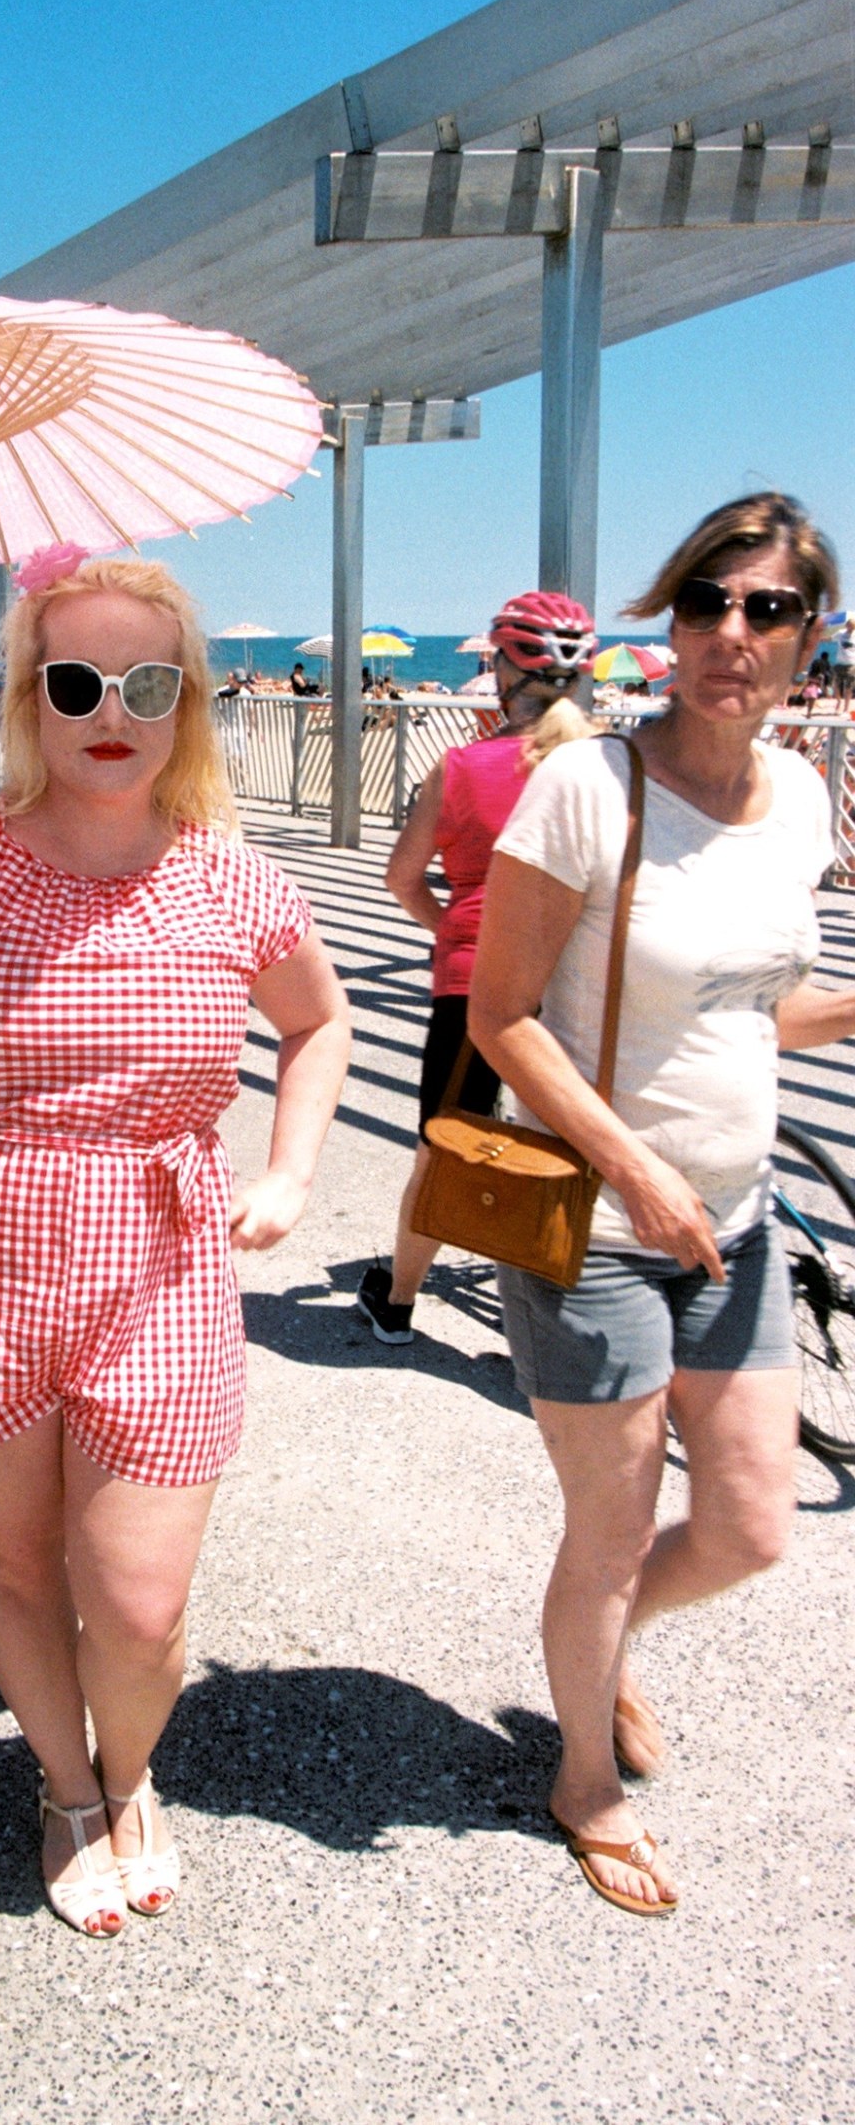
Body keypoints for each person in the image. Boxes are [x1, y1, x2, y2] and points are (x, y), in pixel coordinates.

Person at [0, 551, 350, 1937]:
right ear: (27, 697)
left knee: (135, 1594)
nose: (109, 708)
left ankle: (136, 1767)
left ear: (187, 702)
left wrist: (292, 1166)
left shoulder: (233, 880)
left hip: (160, 1252)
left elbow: (320, 1021)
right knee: (15, 1560)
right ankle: (69, 1787)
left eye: (148, 681)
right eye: (74, 681)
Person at [469, 493, 848, 1918]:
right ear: (670, 621)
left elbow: (751, 1013)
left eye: (766, 609)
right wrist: (634, 1163)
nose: (729, 635)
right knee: (613, 1530)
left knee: (753, 1523)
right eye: (705, 602)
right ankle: (583, 1774)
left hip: (738, 1224)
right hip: (601, 1230)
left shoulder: (803, 796)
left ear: (813, 636)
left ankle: (603, 1646)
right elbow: (504, 1016)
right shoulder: (588, 787)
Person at [357, 593, 598, 1342]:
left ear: (500, 671)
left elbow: (402, 876)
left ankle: (396, 1300)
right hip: (578, 985)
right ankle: (579, 1297)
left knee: (447, 1140)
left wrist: (454, 933)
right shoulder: (609, 768)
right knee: (582, 1138)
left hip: (474, 985)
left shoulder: (462, 767)